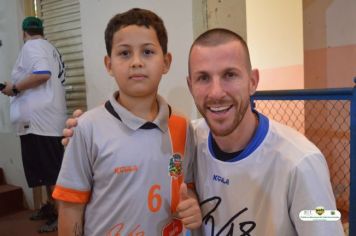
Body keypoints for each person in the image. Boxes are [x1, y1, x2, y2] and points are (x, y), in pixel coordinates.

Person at [63, 28, 344, 235]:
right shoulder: (187, 137)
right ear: (189, 85)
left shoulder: (302, 162)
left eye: (230, 75)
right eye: (203, 78)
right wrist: (88, 127)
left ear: (253, 81)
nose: (216, 92)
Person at [52, 8, 201, 236]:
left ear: (166, 62)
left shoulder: (182, 125)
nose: (136, 62)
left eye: (148, 52)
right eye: (124, 53)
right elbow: (71, 207)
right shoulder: (86, 128)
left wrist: (191, 204)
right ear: (109, 64)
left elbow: (185, 185)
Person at [1, 16, 67, 233]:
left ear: (23, 33)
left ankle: (61, 215)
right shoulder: (50, 48)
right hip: (48, 120)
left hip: (39, 122)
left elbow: (43, 74)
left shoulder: (32, 46)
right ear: (42, 30)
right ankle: (51, 207)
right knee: (47, 170)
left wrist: (16, 88)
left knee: (51, 170)